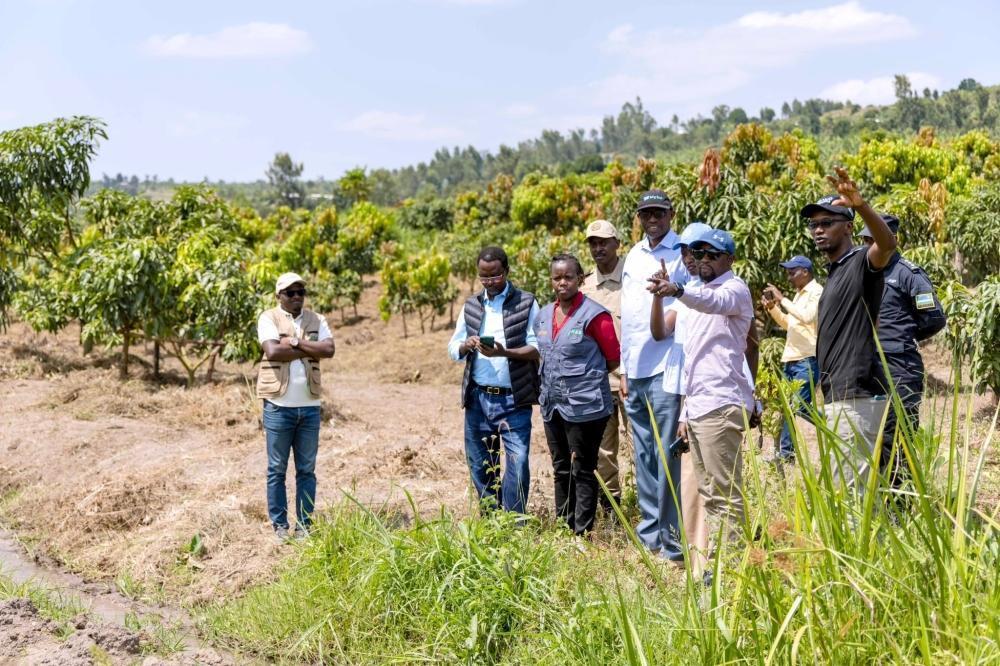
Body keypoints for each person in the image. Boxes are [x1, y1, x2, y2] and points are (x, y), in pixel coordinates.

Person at [648, 228, 754, 565]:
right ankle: (716, 563)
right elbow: (693, 365)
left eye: (712, 254)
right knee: (710, 493)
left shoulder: (733, 290)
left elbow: (714, 303)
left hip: (722, 404)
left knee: (726, 492)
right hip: (699, 406)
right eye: (698, 253)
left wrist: (676, 290)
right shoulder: (697, 294)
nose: (702, 259)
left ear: (730, 259)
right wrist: (684, 414)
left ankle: (735, 566)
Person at [803, 168, 898, 500]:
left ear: (848, 226)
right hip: (838, 398)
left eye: (826, 223)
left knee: (853, 501)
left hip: (855, 398)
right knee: (851, 497)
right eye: (813, 224)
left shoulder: (860, 262)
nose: (818, 230)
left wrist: (862, 206)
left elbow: (885, 245)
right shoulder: (835, 273)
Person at [619, 189, 689, 559]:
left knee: (668, 458)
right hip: (637, 371)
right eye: (646, 214)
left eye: (659, 213)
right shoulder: (633, 254)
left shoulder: (681, 253)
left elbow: (678, 315)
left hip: (666, 369)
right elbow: (629, 318)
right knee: (644, 457)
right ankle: (650, 538)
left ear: (671, 214)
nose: (652, 219)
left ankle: (673, 543)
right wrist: (625, 370)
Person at [448, 246, 541, 514]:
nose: (490, 282)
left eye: (495, 276)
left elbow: (537, 348)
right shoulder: (471, 305)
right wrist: (467, 345)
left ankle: (514, 523)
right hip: (478, 399)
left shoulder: (526, 302)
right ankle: (491, 521)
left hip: (514, 398)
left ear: (507, 271)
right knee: (480, 464)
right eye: (484, 277)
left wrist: (504, 352)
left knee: (518, 462)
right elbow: (453, 348)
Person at [860, 214, 946, 494]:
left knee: (899, 436)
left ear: (891, 240)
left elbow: (933, 318)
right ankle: (875, 496)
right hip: (865, 367)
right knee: (869, 436)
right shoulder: (861, 274)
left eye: (873, 240)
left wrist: (903, 337)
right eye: (865, 241)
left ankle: (901, 502)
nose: (868, 246)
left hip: (899, 368)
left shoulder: (909, 274)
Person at [536, 254, 621, 535]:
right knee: (561, 467)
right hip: (553, 404)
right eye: (557, 278)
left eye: (568, 277)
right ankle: (564, 525)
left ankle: (582, 532)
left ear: (580, 279)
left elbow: (612, 357)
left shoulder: (596, 315)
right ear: (551, 281)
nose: (563, 283)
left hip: (586, 405)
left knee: (583, 468)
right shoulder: (544, 315)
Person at [256, 272, 336, 544]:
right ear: (278, 295)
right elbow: (273, 352)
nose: (296, 297)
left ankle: (304, 525)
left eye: (300, 292)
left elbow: (328, 350)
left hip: (310, 407)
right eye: (290, 293)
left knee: (306, 470)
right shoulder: (268, 318)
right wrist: (310, 348)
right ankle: (280, 525)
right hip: (279, 406)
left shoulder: (317, 319)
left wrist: (296, 342)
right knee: (277, 469)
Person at [580, 219, 631, 512]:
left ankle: (652, 506)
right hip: (599, 380)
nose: (598, 248)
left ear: (617, 244)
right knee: (603, 450)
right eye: (593, 243)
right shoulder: (585, 285)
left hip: (634, 377)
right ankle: (612, 507)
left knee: (641, 445)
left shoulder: (634, 279)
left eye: (604, 242)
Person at [761, 255, 823, 464]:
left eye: (792, 272)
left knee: (800, 406)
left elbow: (807, 317)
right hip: (792, 359)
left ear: (805, 272)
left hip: (807, 359)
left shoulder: (816, 292)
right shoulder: (798, 295)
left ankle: (836, 429)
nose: (788, 277)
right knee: (788, 407)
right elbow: (791, 324)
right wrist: (772, 308)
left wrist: (782, 299)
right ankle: (786, 454)